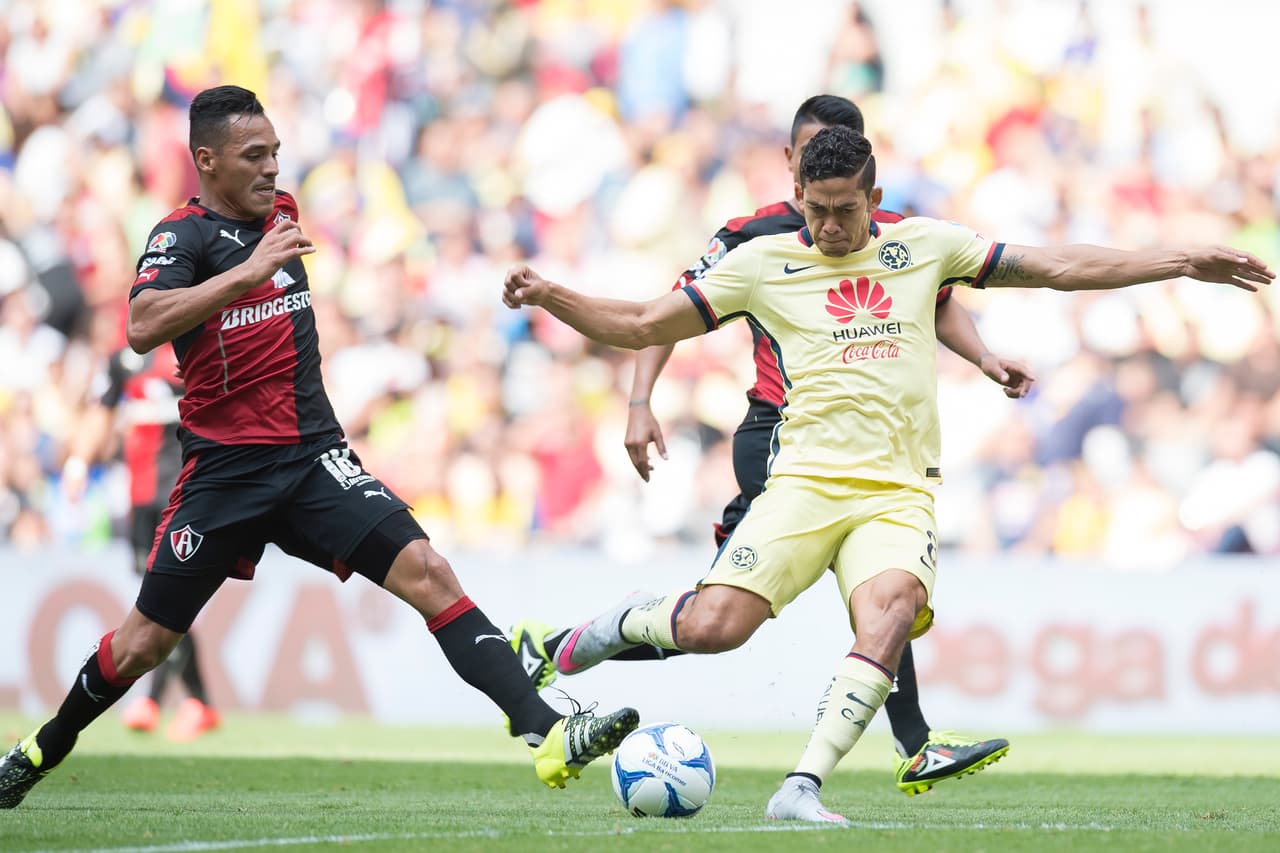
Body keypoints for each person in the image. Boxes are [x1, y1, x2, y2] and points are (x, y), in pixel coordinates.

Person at [499, 125, 1272, 822]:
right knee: (714, 628)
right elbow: (639, 322)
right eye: (818, 210)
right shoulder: (759, 261)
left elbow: (1059, 265)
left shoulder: (925, 245)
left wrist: (1178, 260)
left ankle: (801, 785)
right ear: (797, 195)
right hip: (801, 483)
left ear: (874, 197)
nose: (831, 227)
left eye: (846, 210)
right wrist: (550, 294)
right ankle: (605, 627)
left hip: (898, 491)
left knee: (893, 610)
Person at [0, 85, 639, 810]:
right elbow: (144, 325)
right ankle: (41, 746)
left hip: (311, 460)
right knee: (145, 642)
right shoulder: (180, 238)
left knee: (428, 570)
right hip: (224, 473)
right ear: (206, 161)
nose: (272, 168)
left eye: (275, 151)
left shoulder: (282, 214)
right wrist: (245, 273)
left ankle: (548, 730)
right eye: (253, 155)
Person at [509, 94, 1026, 797]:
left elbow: (936, 304)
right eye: (811, 165)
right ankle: (568, 643)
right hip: (781, 439)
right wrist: (638, 401)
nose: (829, 206)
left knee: (869, 599)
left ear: (866, 172)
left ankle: (909, 742)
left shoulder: (892, 234)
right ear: (791, 165)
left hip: (861, 450)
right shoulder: (755, 239)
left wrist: (988, 359)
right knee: (721, 617)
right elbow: (661, 313)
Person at [63, 345, 219, 742]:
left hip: (181, 492)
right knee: (159, 599)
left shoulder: (192, 349)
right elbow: (103, 409)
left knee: (164, 599)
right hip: (140, 497)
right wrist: (79, 463)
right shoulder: (123, 361)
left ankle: (154, 702)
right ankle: (196, 703)